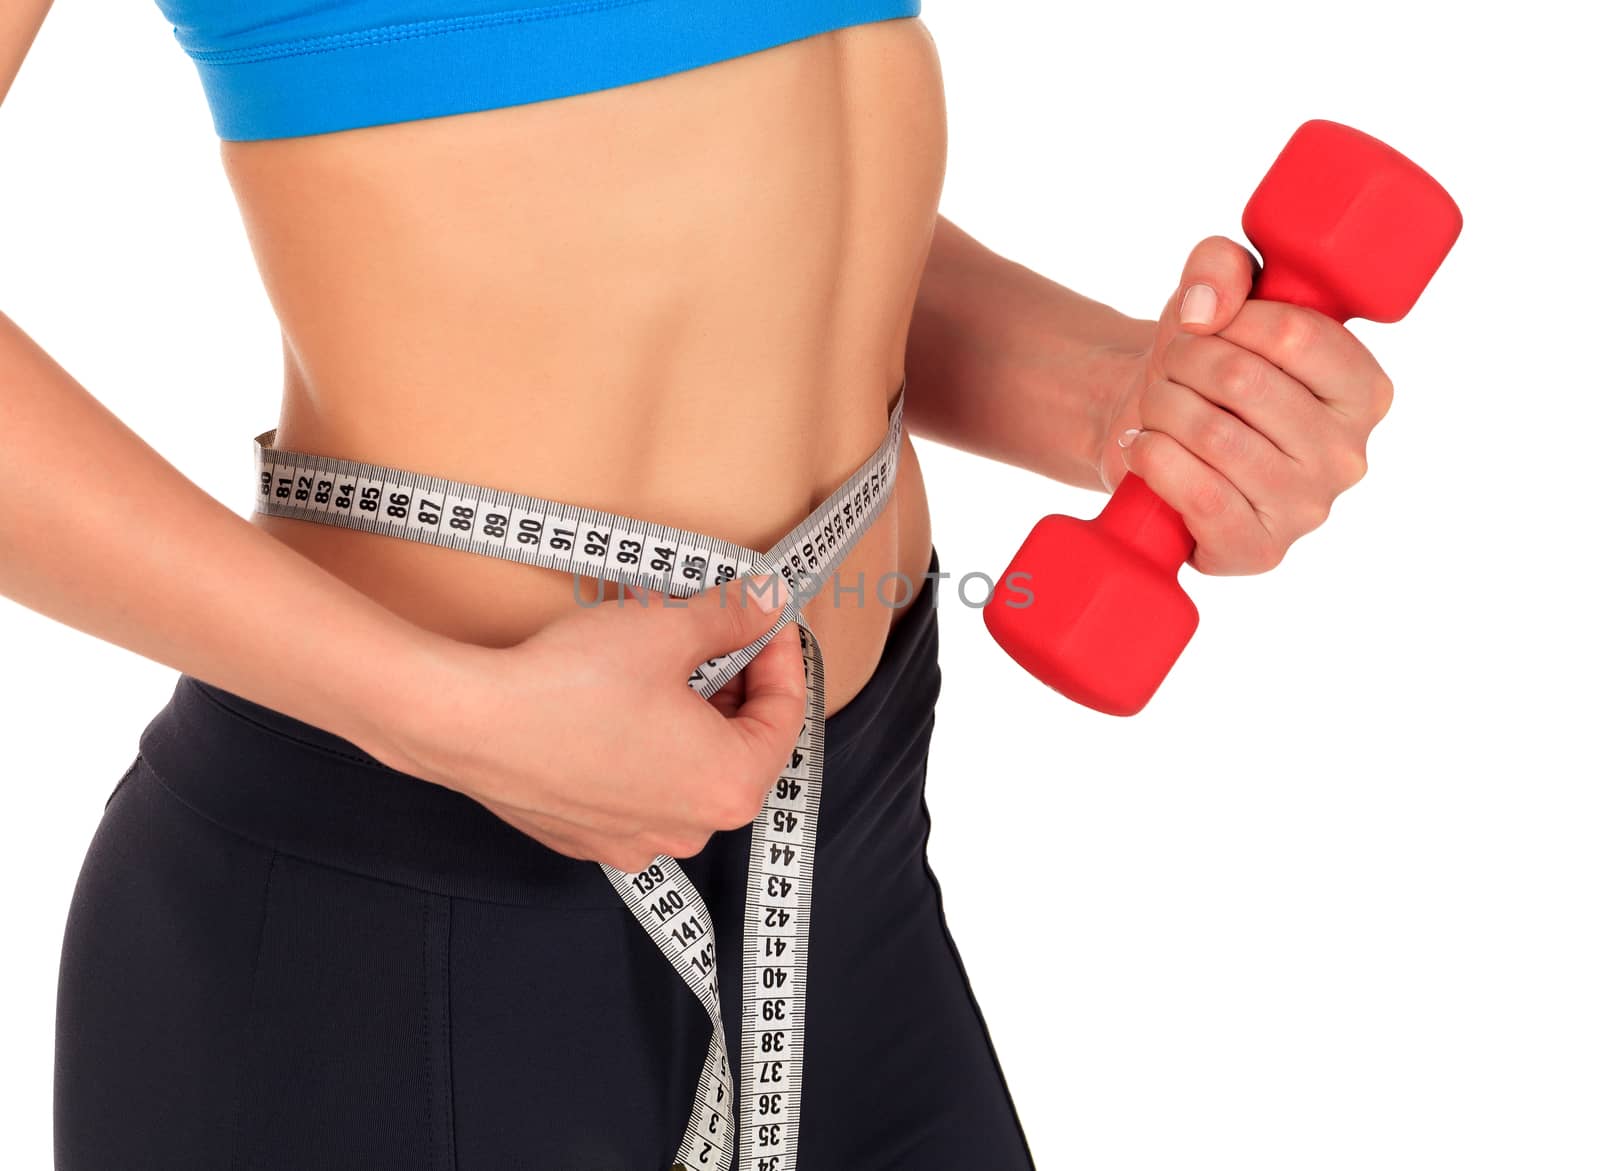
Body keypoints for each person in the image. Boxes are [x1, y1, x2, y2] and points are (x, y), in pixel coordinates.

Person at [1, 1, 1394, 1167]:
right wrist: (439, 711)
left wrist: (1126, 405)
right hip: (394, 947)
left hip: (850, 876)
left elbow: (739, 147)